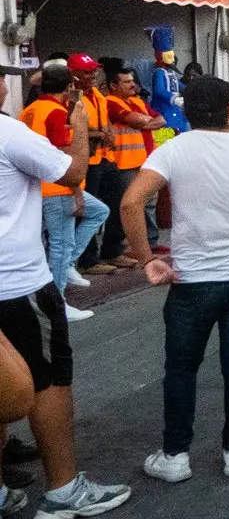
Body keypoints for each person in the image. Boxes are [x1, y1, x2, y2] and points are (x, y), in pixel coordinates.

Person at [119, 76, 229, 484]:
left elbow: (130, 201)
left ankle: (175, 455)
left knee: (181, 368)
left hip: (191, 280)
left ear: (187, 111)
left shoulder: (172, 150)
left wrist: (146, 259)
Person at [0, 75, 133, 517]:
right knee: (50, 382)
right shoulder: (7, 131)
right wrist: (79, 126)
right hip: (17, 285)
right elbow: (74, 171)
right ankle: (63, 490)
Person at [17, 64, 109, 322]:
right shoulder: (57, 112)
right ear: (68, 87)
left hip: (41, 186)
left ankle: (65, 268)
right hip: (58, 187)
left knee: (97, 213)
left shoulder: (30, 109)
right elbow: (64, 158)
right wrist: (76, 191)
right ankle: (57, 303)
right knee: (61, 244)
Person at [101, 66, 165, 270]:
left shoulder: (137, 101)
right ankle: (123, 248)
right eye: (127, 82)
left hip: (144, 160)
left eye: (132, 81)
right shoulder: (110, 102)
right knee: (127, 205)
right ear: (113, 85)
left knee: (149, 203)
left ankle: (150, 242)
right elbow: (134, 120)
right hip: (124, 162)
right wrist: (146, 122)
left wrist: (146, 123)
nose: (133, 85)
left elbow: (161, 120)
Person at [68, 53, 119, 278]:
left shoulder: (97, 93)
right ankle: (88, 260)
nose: (93, 75)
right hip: (85, 161)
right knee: (87, 211)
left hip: (104, 158)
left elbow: (104, 117)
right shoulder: (72, 96)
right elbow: (72, 128)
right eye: (87, 72)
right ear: (74, 74)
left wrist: (109, 130)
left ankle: (112, 250)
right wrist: (99, 133)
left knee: (116, 203)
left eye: (93, 71)